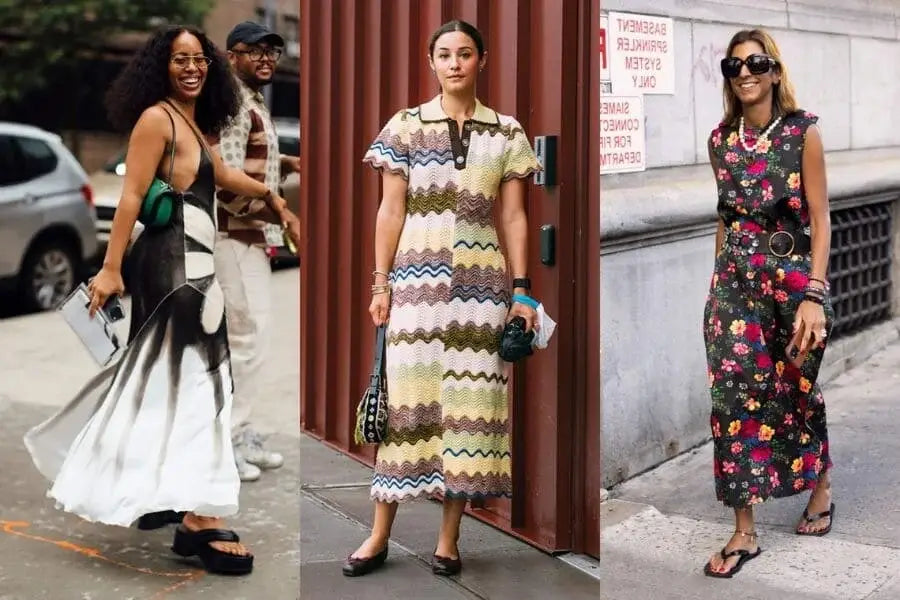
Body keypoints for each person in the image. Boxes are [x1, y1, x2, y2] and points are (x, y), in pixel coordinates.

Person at [22, 25, 299, 576]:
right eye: (180, 60)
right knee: (196, 383)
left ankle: (176, 501)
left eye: (199, 59)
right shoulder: (157, 119)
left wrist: (271, 195)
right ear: (160, 66)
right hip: (174, 267)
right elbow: (129, 197)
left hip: (193, 264)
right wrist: (107, 268)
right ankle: (195, 519)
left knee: (181, 384)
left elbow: (219, 174)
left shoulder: (193, 120)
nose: (192, 68)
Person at [342, 20, 541, 578]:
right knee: (403, 405)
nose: (455, 63)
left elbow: (514, 216)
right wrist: (380, 285)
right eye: (445, 54)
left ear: (482, 60)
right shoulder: (405, 126)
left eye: (466, 53)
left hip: (482, 292)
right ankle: (378, 534)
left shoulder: (506, 133)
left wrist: (521, 293)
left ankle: (449, 540)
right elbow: (390, 211)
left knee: (470, 415)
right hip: (415, 289)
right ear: (431, 62)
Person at [702, 28, 834, 578]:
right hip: (734, 283)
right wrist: (716, 289)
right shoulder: (720, 141)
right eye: (735, 66)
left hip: (795, 283)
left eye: (756, 63)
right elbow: (724, 218)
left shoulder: (802, 132)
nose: (746, 73)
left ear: (775, 71)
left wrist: (814, 297)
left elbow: (822, 219)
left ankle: (820, 486)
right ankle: (744, 531)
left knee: (796, 387)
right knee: (733, 403)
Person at [211, 20, 301, 482]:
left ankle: (239, 433)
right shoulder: (229, 104)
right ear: (232, 56)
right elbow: (223, 178)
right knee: (248, 343)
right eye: (255, 52)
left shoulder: (251, 101)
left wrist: (284, 162)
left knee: (249, 343)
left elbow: (251, 161)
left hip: (247, 237)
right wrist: (278, 210)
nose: (266, 60)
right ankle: (227, 443)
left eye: (273, 53)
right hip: (232, 234)